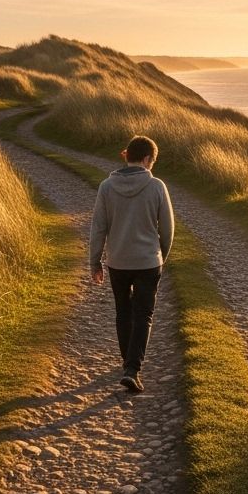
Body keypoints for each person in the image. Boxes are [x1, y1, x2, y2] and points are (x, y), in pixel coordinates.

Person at [89, 135, 174, 393]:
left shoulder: (106, 187)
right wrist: (161, 257)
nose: (151, 166)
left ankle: (128, 364)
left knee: (123, 312)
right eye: (152, 162)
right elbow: (168, 230)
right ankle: (132, 369)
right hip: (148, 261)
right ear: (147, 159)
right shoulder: (157, 186)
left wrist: (95, 262)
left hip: (118, 262)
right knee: (144, 315)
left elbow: (98, 228)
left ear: (127, 156)